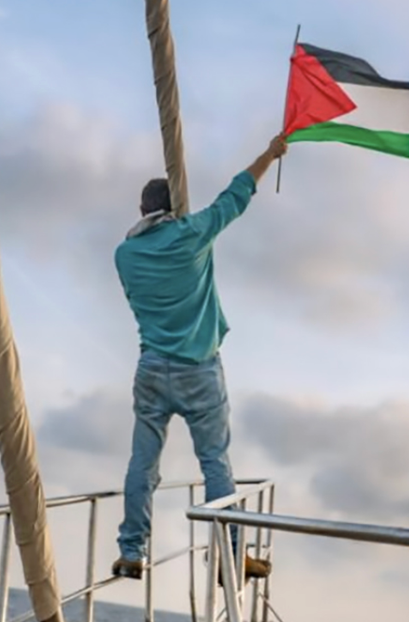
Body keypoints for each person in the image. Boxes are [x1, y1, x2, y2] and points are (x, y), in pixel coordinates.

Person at [110, 134, 289, 582]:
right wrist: (270, 153)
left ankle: (131, 552)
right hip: (200, 369)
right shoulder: (193, 233)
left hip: (152, 367)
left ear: (141, 209)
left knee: (142, 463)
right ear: (176, 207)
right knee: (215, 462)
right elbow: (237, 193)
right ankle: (230, 557)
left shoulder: (124, 255)